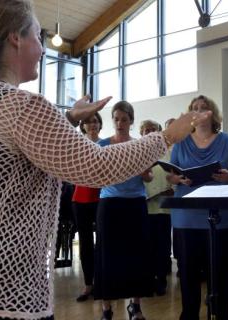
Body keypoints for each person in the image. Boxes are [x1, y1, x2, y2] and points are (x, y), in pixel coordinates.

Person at [0, 1, 207, 318]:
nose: (42, 49)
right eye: (37, 37)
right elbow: (97, 166)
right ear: (16, 38)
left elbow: (21, 151)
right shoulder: (20, 104)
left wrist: (67, 117)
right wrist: (167, 136)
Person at [167, 95, 228, 320]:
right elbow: (170, 176)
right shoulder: (180, 141)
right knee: (188, 274)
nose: (198, 111)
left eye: (203, 107)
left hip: (220, 215)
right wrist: (179, 180)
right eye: (194, 108)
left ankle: (220, 315)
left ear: (213, 114)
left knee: (219, 274)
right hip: (186, 217)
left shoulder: (226, 140)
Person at [94, 102, 155, 320]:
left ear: (131, 121)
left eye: (124, 119)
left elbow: (149, 177)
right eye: (116, 119)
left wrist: (143, 172)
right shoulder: (102, 144)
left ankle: (135, 306)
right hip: (110, 203)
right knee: (106, 256)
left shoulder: (139, 145)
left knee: (136, 255)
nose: (120, 123)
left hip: (135, 203)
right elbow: (95, 176)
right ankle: (106, 309)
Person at [72, 112, 103, 302]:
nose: (92, 124)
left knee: (102, 242)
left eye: (96, 121)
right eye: (88, 122)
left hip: (101, 198)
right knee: (85, 243)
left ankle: (102, 283)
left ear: (100, 124)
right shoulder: (76, 143)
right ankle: (88, 285)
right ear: (83, 126)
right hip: (80, 198)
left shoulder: (106, 143)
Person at [141, 120, 173, 296]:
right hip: (144, 209)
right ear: (142, 133)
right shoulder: (137, 153)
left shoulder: (167, 153)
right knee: (147, 247)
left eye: (153, 129)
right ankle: (147, 280)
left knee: (162, 247)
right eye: (146, 130)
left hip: (163, 208)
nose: (150, 132)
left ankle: (161, 280)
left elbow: (175, 173)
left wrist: (172, 190)